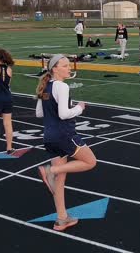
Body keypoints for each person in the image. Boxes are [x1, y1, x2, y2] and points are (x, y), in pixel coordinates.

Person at [36, 54, 97, 232]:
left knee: (59, 180)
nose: (69, 68)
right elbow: (63, 114)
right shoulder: (61, 86)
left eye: (69, 65)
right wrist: (79, 108)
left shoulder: (45, 86)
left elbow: (39, 113)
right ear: (55, 68)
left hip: (49, 137)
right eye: (64, 65)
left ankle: (61, 218)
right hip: (64, 134)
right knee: (90, 162)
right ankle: (49, 170)